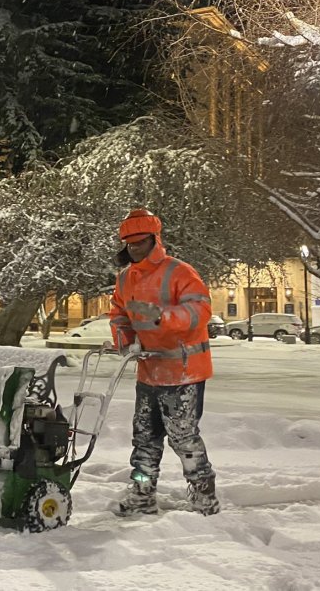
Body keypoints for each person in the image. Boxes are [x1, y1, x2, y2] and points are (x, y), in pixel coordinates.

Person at [108, 208, 220, 516]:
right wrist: (124, 339)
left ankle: (203, 494)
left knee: (183, 436)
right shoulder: (125, 278)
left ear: (154, 240)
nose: (134, 248)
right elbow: (119, 313)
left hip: (184, 370)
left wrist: (164, 317)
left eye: (140, 242)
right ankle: (142, 492)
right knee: (145, 438)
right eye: (130, 243)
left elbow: (200, 310)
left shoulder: (179, 272)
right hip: (149, 370)